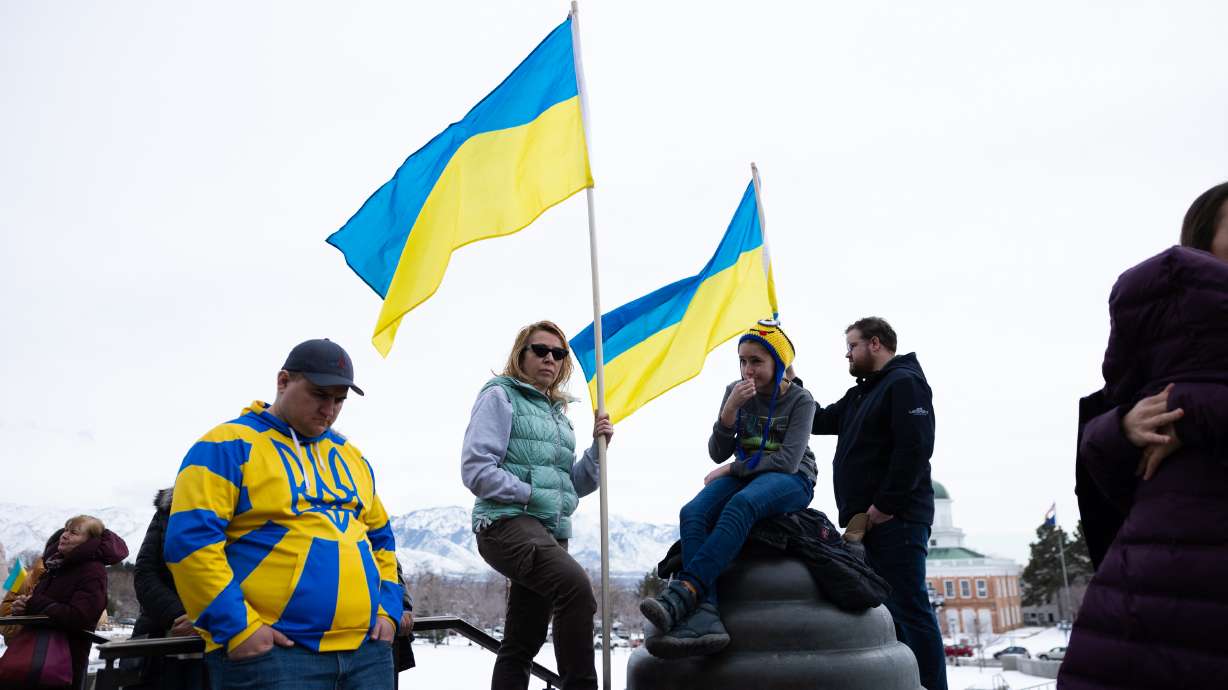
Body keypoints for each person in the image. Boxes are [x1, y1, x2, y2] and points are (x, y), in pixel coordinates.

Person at [1059, 182, 1228, 689]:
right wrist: (1125, 427)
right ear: (1204, 242)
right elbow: (1099, 463)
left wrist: (1193, 410)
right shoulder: (1163, 341)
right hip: (1159, 582)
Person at [164, 338, 402, 690]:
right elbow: (191, 542)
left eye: (339, 400)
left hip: (367, 653)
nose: (329, 409)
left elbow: (381, 539)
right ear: (283, 381)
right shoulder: (226, 444)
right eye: (320, 394)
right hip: (275, 657)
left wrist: (388, 611)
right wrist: (239, 629)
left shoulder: (352, 456)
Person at [639, 320, 816, 658]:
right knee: (692, 512)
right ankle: (705, 613)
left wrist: (731, 469)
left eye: (757, 361)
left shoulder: (801, 401)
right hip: (745, 471)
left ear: (778, 364)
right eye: (743, 361)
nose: (748, 370)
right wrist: (729, 412)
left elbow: (788, 461)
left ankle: (685, 590)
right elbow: (717, 451)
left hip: (793, 478)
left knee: (741, 505)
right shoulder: (734, 392)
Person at [461, 320, 612, 690]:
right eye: (540, 350)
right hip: (505, 524)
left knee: (522, 640)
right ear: (521, 355)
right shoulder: (500, 396)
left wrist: (597, 450)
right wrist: (531, 494)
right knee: (576, 589)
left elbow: (569, 486)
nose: (550, 359)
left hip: (548, 533)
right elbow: (476, 470)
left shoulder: (558, 415)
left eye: (558, 354)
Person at [810, 317, 946, 690]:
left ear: (875, 343)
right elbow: (818, 420)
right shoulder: (861, 394)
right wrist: (788, 381)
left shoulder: (904, 383)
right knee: (891, 613)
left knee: (911, 609)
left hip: (896, 519)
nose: (847, 355)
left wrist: (885, 506)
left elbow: (915, 447)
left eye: (851, 347)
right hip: (867, 523)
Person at [9, 515, 129, 690]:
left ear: (89, 541)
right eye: (65, 530)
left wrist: (36, 603)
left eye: (73, 533)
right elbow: (44, 606)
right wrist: (23, 607)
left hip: (63, 662)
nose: (64, 535)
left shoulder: (93, 571)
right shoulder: (56, 566)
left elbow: (80, 616)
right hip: (37, 656)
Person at [128, 487, 205, 689]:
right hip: (160, 631)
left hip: (218, 635)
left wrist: (205, 616)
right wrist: (177, 615)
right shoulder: (166, 512)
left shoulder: (241, 511)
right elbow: (145, 572)